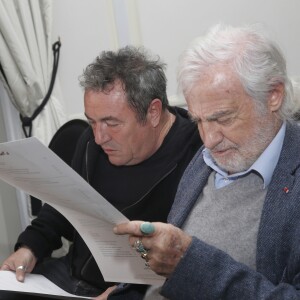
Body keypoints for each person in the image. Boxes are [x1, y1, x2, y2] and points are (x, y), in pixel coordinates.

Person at [109, 24, 300, 300]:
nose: (208, 140)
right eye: (198, 120)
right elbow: (166, 267)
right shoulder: (208, 159)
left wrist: (187, 262)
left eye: (222, 118)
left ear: (273, 95)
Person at [0, 46, 202, 298]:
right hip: (71, 276)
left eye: (111, 123)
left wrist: (125, 293)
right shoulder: (90, 144)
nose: (98, 136)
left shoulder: (196, 157)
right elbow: (63, 206)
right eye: (92, 122)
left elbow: (191, 261)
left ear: (153, 112)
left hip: (140, 291)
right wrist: (30, 247)